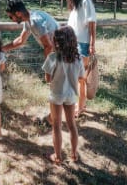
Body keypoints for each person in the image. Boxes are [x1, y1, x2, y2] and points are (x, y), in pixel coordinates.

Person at [42, 26, 84, 164]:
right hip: (71, 95)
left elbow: (47, 79)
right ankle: (74, 154)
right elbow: (80, 78)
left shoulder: (52, 57)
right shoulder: (78, 59)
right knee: (72, 125)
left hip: (56, 95)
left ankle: (58, 157)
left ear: (57, 41)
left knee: (56, 126)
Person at [62, 0, 96, 117]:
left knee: (80, 78)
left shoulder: (86, 2)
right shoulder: (75, 5)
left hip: (83, 45)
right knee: (74, 77)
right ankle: (79, 104)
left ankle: (80, 106)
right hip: (72, 44)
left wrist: (92, 44)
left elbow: (92, 24)